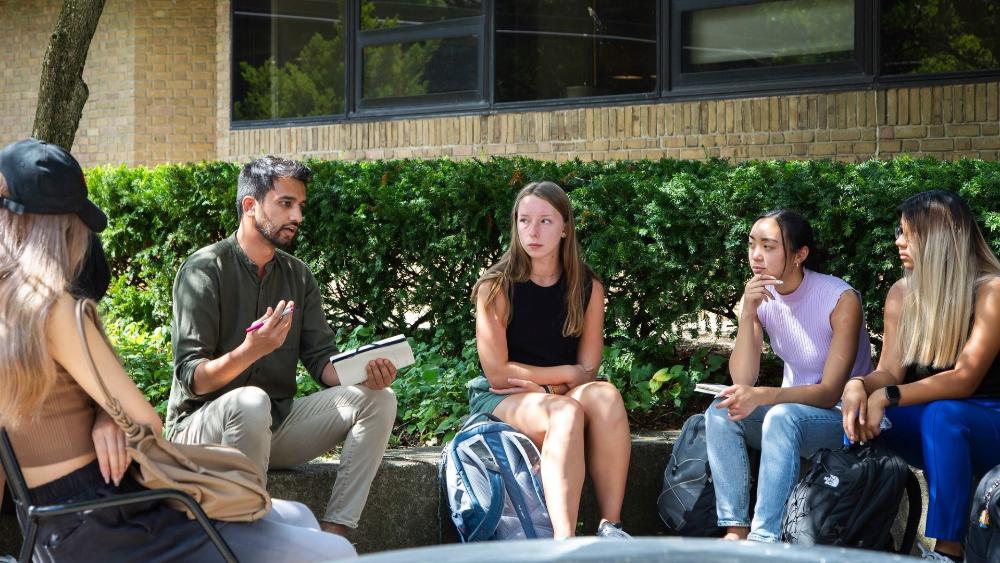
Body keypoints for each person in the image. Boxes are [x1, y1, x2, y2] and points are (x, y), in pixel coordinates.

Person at [0, 138, 355, 561]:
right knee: (333, 551)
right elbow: (145, 421)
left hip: (57, 531)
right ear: (59, 227)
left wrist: (103, 415)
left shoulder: (14, 313)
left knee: (296, 515)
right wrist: (116, 418)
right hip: (116, 519)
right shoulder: (57, 309)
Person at [166, 156, 398, 536]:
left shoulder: (297, 275)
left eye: (300, 206)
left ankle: (334, 538)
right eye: (286, 204)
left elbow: (322, 361)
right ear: (250, 206)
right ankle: (249, 538)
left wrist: (366, 371)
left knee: (379, 399)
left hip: (272, 426)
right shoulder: (204, 270)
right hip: (200, 432)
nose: (298, 217)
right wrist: (251, 350)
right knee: (251, 400)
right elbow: (194, 379)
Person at [468, 181, 632, 540]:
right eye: (524, 220)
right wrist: (565, 376)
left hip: (555, 391)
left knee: (605, 395)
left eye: (545, 221)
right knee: (566, 412)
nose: (533, 231)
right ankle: (563, 541)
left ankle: (611, 526)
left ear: (564, 228)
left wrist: (549, 385)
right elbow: (497, 371)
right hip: (502, 396)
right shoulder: (495, 286)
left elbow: (589, 369)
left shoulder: (587, 286)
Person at [842, 190, 1000, 562]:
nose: (898, 241)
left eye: (908, 234)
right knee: (860, 412)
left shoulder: (991, 290)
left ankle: (948, 551)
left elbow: (964, 379)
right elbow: (889, 371)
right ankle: (860, 534)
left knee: (943, 413)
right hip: (938, 423)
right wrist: (859, 386)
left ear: (941, 238)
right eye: (899, 231)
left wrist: (890, 396)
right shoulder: (901, 293)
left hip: (989, 419)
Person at [704, 209, 873, 543]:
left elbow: (828, 393)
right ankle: (735, 531)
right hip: (790, 416)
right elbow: (743, 378)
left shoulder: (840, 300)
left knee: (781, 417)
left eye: (768, 247)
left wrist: (764, 396)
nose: (756, 255)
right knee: (722, 409)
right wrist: (748, 314)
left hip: (845, 419)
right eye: (752, 244)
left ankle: (764, 540)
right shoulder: (758, 296)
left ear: (799, 255)